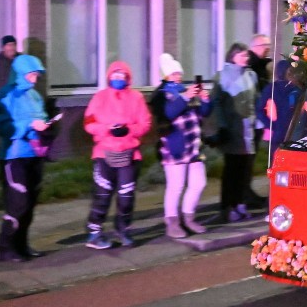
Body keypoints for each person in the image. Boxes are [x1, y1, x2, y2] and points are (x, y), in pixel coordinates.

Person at [82, 62, 152, 249]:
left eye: (122, 76)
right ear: (109, 77)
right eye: (115, 76)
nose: (118, 79)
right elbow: (89, 122)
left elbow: (145, 123)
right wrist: (106, 130)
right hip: (104, 153)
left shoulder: (137, 98)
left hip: (129, 154)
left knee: (126, 196)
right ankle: (94, 232)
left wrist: (129, 130)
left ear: (128, 78)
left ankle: (123, 229)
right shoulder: (100, 97)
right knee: (102, 194)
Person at [0, 54, 53, 262]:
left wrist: (44, 127)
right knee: (18, 203)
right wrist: (28, 126)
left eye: (36, 75)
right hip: (13, 156)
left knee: (31, 203)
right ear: (21, 73)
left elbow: (41, 117)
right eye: (32, 74)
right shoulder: (4, 96)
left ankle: (21, 244)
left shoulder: (35, 96)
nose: (35, 78)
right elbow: (3, 127)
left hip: (33, 154)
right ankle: (4, 246)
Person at [152, 54, 212, 238]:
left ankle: (189, 217)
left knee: (199, 183)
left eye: (179, 73)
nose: (178, 76)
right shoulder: (161, 95)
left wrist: (205, 99)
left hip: (194, 146)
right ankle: (172, 222)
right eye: (173, 74)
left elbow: (204, 112)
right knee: (175, 186)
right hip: (174, 147)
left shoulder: (186, 91)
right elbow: (169, 113)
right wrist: (185, 96)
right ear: (165, 76)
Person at [212, 43, 264, 220]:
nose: (246, 58)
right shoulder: (221, 76)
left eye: (246, 56)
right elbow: (216, 103)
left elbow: (255, 100)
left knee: (244, 169)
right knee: (231, 170)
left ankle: (240, 204)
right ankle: (228, 206)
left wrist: (258, 123)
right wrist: (222, 125)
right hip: (232, 129)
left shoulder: (251, 75)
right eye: (242, 56)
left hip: (248, 130)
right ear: (232, 56)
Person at [256, 59, 300, 163]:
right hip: (277, 136)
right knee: (276, 164)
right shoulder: (272, 89)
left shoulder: (296, 89)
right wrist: (272, 125)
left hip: (294, 135)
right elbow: (259, 110)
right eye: (290, 70)